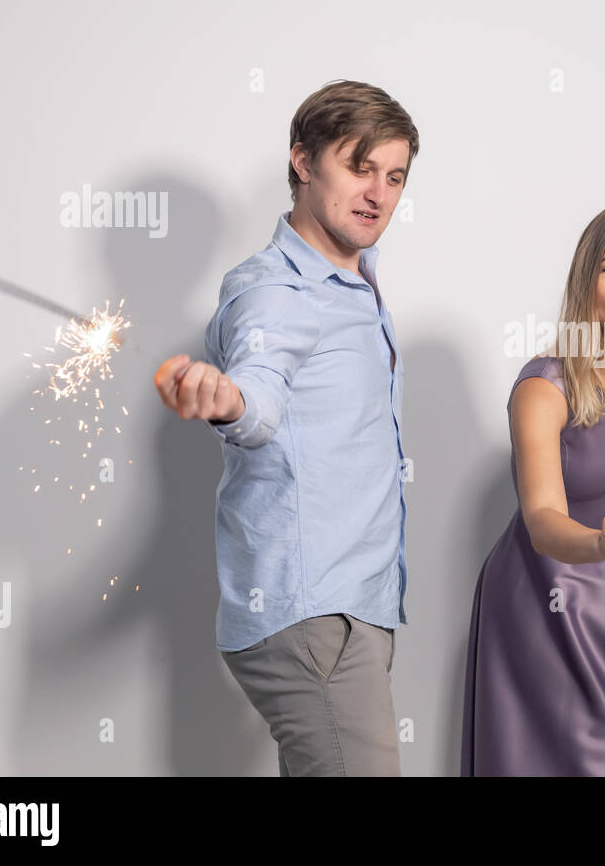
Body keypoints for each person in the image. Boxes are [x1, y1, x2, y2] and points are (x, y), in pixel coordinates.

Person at [152, 79, 419, 776]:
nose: (378, 194)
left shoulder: (356, 279)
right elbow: (260, 399)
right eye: (359, 168)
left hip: (351, 609)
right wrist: (227, 400)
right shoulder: (277, 289)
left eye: (394, 177)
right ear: (302, 160)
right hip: (312, 615)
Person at [461, 199, 605, 776]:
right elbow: (542, 519)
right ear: (586, 282)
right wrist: (602, 545)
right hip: (549, 594)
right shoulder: (545, 387)